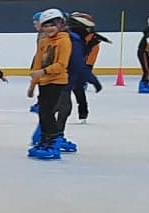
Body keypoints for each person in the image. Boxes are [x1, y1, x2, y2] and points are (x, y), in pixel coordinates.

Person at [26, 8, 75, 160]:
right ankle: (44, 141)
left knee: (48, 112)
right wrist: (33, 85)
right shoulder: (43, 41)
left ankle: (53, 143)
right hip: (44, 82)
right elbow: (38, 64)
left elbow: (61, 65)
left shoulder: (64, 41)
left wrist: (42, 73)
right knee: (43, 112)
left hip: (57, 81)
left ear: (60, 24)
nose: (49, 29)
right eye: (45, 26)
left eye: (52, 25)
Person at [66, 12, 108, 121]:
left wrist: (89, 74)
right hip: (68, 71)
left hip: (78, 68)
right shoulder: (70, 38)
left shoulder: (90, 40)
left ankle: (83, 113)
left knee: (77, 90)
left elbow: (82, 61)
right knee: (61, 101)